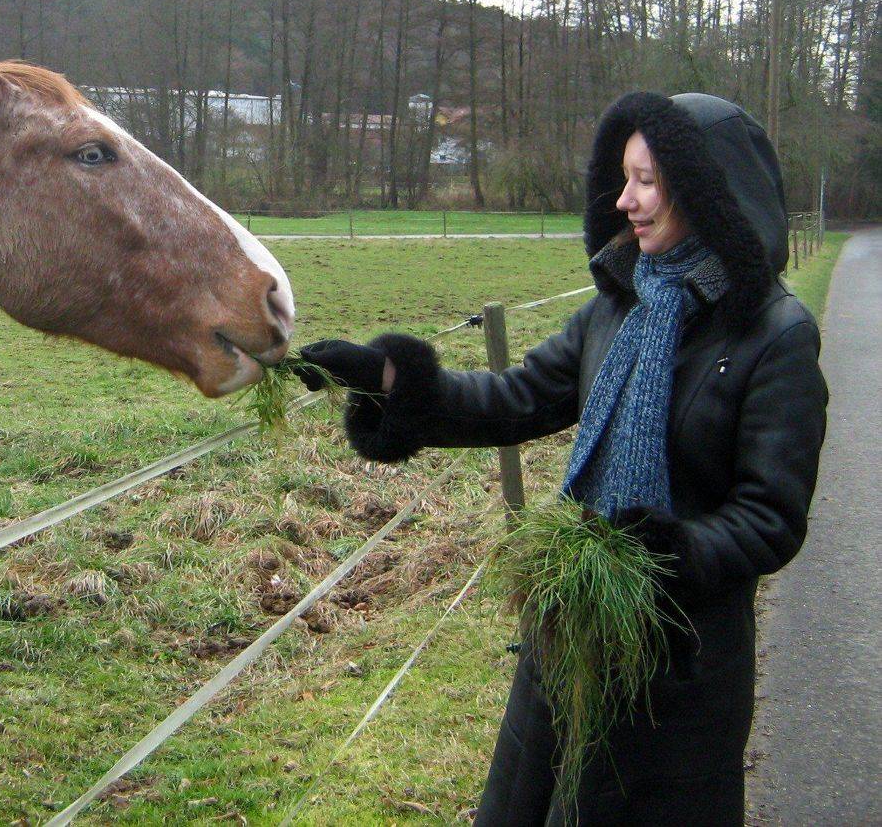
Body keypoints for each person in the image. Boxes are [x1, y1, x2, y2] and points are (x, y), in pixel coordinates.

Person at [297, 91, 828, 826]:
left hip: (681, 668)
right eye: (623, 178)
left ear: (706, 189)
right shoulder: (618, 304)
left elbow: (771, 516)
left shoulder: (776, 336)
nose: (625, 200)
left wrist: (672, 551)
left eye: (646, 181)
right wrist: (388, 380)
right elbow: (515, 398)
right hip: (570, 640)